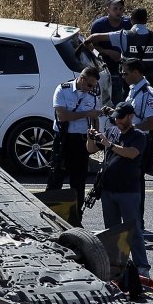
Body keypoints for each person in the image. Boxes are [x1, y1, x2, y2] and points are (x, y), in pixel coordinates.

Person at [86, 102, 151, 278]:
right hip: (108, 190)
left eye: (121, 118)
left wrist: (110, 145)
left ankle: (142, 267)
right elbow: (91, 150)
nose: (117, 122)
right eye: (115, 118)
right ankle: (116, 265)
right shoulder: (112, 131)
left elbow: (131, 153)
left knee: (134, 230)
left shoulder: (138, 135)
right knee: (112, 231)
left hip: (128, 191)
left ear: (130, 117)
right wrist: (91, 138)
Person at [46, 66, 103, 225]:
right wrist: (86, 114)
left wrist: (95, 135)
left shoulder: (92, 95)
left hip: (80, 140)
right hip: (63, 139)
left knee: (78, 181)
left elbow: (95, 117)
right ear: (82, 79)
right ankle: (50, 215)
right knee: (56, 177)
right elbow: (62, 116)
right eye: (90, 85)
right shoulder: (63, 90)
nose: (91, 88)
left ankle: (75, 217)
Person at [85, 7, 153, 97]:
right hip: (149, 81)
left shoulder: (124, 35)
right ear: (146, 20)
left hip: (129, 82)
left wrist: (88, 45)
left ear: (131, 20)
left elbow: (94, 37)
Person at [121, 58, 153, 229]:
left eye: (126, 73)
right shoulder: (133, 90)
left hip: (141, 141)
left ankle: (137, 222)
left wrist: (132, 127)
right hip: (132, 138)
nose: (123, 76)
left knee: (136, 183)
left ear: (136, 72)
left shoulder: (146, 94)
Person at [89, 0, 132, 105]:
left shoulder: (128, 24)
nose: (118, 12)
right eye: (115, 9)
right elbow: (92, 46)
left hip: (125, 67)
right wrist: (108, 52)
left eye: (121, 9)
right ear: (108, 9)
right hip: (106, 67)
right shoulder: (98, 25)